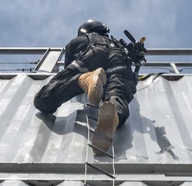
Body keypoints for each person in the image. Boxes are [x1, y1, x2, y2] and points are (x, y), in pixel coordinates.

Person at [34, 19, 139, 154]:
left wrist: (73, 78)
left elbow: (66, 72)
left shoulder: (78, 41)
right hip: (120, 60)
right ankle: (113, 116)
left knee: (42, 100)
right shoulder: (118, 44)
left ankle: (85, 80)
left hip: (93, 54)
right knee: (117, 93)